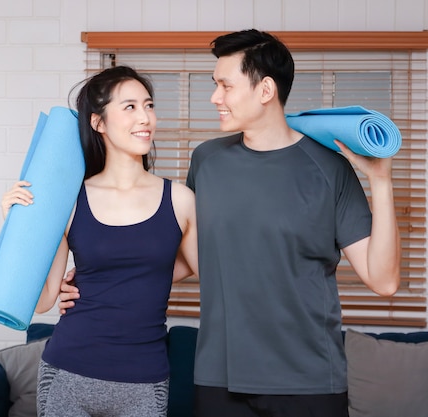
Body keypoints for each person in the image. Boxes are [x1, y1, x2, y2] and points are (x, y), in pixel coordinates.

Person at [60, 29, 401, 417]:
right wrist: (92, 281)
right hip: (219, 379)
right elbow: (190, 257)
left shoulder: (329, 168)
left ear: (265, 91)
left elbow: (383, 280)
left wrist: (381, 181)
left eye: (225, 85)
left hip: (308, 379)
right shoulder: (207, 161)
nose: (214, 97)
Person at [1, 66, 198, 417]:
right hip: (67, 372)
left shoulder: (180, 199)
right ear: (98, 122)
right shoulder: (70, 200)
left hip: (145, 379)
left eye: (148, 105)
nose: (145, 118)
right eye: (130, 107)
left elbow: (205, 270)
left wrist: (135, 281)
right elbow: (44, 299)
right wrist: (15, 225)